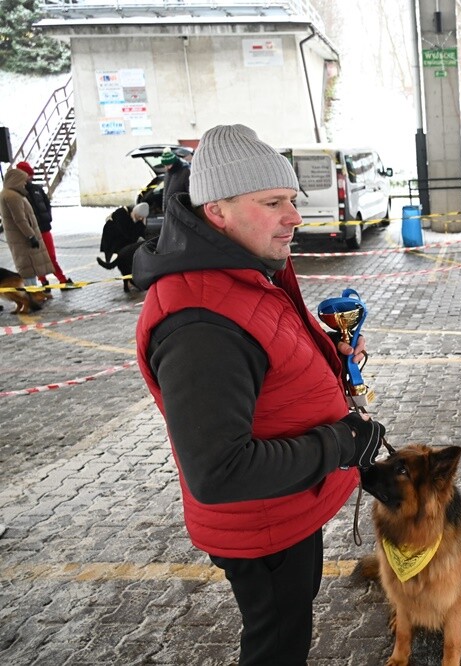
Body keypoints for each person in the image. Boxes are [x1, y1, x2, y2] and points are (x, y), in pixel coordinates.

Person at [131, 124, 386, 665]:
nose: (295, 216)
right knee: (277, 643)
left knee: (290, 620)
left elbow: (265, 357)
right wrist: (342, 443)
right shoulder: (200, 323)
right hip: (261, 525)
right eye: (273, 202)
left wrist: (327, 355)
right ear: (216, 211)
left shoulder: (241, 270)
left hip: (287, 505)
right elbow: (220, 471)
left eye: (292, 199)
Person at [14, 162, 77, 289]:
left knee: (51, 257)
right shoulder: (18, 193)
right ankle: (43, 281)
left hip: (44, 229)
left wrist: (48, 217)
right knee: (37, 259)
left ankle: (62, 280)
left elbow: (47, 204)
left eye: (31, 174)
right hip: (32, 232)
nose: (30, 177)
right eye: (28, 174)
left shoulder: (37, 189)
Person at [1, 166, 55, 287]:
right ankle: (31, 294)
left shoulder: (12, 194)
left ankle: (33, 292)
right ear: (16, 180)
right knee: (28, 269)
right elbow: (20, 219)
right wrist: (31, 236)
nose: (25, 183)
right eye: (23, 180)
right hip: (23, 239)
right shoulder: (12, 196)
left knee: (29, 269)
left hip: (20, 238)